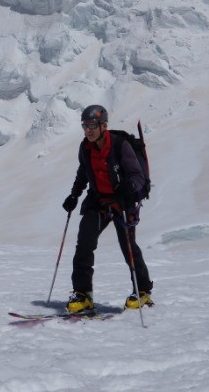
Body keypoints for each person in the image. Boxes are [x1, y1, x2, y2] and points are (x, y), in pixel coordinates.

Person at [61, 104, 153, 312]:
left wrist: (127, 188)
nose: (88, 130)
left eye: (92, 125)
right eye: (85, 126)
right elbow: (83, 173)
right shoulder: (85, 148)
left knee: (128, 246)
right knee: (84, 243)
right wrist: (74, 195)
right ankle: (83, 294)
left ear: (104, 125)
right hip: (99, 201)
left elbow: (137, 176)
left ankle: (143, 291)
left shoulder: (121, 146)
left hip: (123, 202)